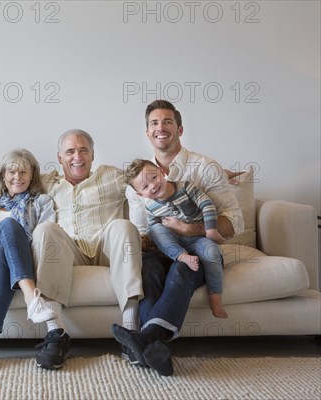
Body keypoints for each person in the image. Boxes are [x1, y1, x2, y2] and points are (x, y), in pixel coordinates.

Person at [0, 130, 143, 370]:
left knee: (122, 226)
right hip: (30, 250)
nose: (77, 156)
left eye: (83, 150)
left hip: (97, 245)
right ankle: (48, 322)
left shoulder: (107, 178)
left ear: (93, 155)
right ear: (60, 158)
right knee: (17, 233)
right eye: (70, 151)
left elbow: (147, 180)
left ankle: (132, 332)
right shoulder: (2, 199)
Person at [112, 99, 243, 376]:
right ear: (147, 133)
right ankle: (154, 349)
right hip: (161, 252)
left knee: (183, 268)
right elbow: (144, 231)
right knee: (147, 268)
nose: (161, 128)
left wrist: (189, 229)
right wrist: (135, 243)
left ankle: (145, 339)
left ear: (180, 129)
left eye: (168, 121)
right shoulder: (137, 183)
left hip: (200, 250)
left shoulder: (205, 168)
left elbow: (235, 223)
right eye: (154, 123)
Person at [0, 148, 57, 370]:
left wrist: (7, 245)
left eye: (23, 172)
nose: (18, 177)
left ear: (32, 175)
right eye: (12, 172)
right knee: (6, 227)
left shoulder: (41, 201)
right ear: (3, 176)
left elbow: (43, 240)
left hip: (20, 257)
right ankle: (31, 297)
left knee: (0, 252)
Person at [124, 158, 228, 318]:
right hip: (174, 243)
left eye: (154, 177)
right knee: (156, 229)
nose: (153, 185)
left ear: (161, 171)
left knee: (212, 252)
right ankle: (181, 256)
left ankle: (215, 299)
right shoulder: (150, 206)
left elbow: (207, 204)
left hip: (198, 239)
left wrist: (211, 229)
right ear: (140, 194)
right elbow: (154, 228)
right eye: (145, 186)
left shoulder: (185, 187)